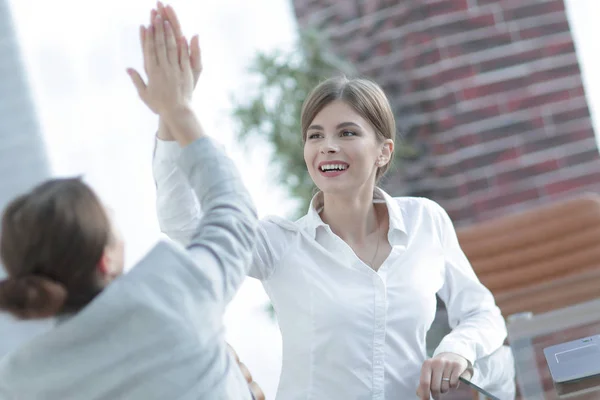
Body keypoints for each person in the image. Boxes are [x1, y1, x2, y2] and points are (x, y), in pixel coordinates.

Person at [153, 6, 516, 400]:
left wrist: (456, 350)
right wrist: (171, 113)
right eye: (315, 135)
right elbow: (183, 225)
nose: (328, 146)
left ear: (383, 152)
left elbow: (483, 314)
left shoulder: (425, 220)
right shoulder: (279, 243)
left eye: (346, 132)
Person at [0, 12, 259, 400]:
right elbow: (232, 212)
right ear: (106, 261)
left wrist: (170, 116)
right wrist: (178, 108)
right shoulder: (173, 296)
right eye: (113, 222)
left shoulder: (21, 381)